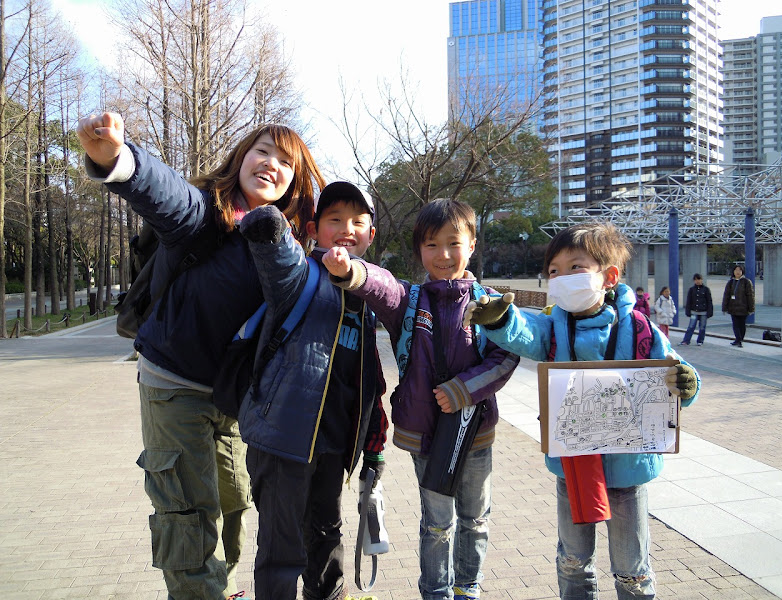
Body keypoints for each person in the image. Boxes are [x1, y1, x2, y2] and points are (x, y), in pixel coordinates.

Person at [77, 111, 325, 600]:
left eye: (285, 162)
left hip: (231, 399)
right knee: (188, 513)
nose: (270, 164)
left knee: (233, 502)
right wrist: (118, 159)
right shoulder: (204, 214)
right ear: (241, 158)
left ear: (295, 184)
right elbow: (163, 191)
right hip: (174, 385)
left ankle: (221, 589)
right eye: (262, 151)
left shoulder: (290, 244)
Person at [463, 222, 700, 600]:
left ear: (610, 276)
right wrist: (499, 319)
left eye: (575, 267)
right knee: (573, 560)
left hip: (629, 467)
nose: (561, 278)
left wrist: (686, 384)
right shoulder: (553, 326)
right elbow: (525, 331)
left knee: (632, 570)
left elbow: (674, 370)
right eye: (553, 271)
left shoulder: (639, 327)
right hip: (574, 463)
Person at [322, 198, 520, 600]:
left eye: (453, 243)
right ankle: (436, 592)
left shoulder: (489, 302)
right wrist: (351, 270)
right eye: (431, 245)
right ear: (419, 250)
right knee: (437, 523)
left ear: (472, 245)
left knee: (475, 519)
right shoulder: (409, 301)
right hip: (426, 436)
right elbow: (380, 286)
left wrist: (463, 389)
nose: (443, 255)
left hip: (476, 433)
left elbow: (507, 355)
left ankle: (467, 588)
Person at [236, 181, 388, 600]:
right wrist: (270, 222)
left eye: (357, 221)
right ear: (313, 229)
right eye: (334, 219)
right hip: (283, 440)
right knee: (281, 547)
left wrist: (374, 444)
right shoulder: (300, 274)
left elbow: (370, 378)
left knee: (326, 535)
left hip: (334, 444)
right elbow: (276, 255)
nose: (346, 229)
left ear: (371, 234)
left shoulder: (366, 293)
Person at [722, 265, 755, 347]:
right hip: (733, 308)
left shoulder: (746, 282)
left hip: (743, 308)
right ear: (733, 271)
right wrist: (724, 307)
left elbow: (750, 296)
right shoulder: (730, 282)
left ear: (742, 272)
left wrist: (751, 309)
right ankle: (738, 339)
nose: (737, 272)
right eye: (736, 270)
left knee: (742, 325)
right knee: (735, 325)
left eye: (739, 270)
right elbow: (726, 296)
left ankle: (740, 339)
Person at [680, 273, 713, 346]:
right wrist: (688, 311)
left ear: (702, 280)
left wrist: (710, 311)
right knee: (691, 326)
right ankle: (686, 340)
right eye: (696, 280)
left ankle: (700, 341)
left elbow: (709, 301)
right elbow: (689, 301)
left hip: (703, 312)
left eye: (699, 279)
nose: (697, 281)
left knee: (702, 327)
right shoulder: (691, 290)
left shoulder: (706, 289)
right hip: (694, 311)